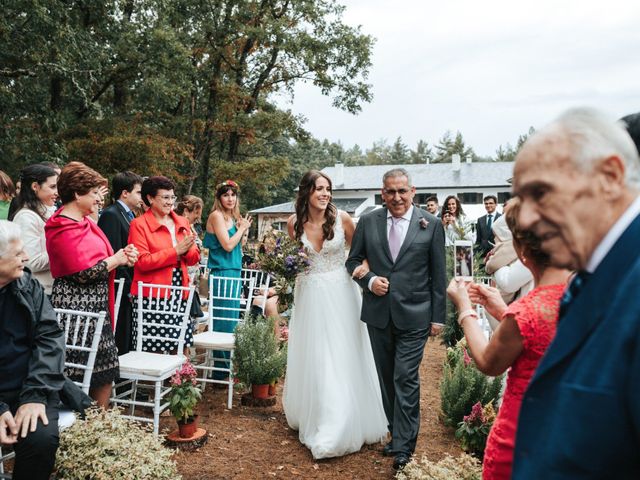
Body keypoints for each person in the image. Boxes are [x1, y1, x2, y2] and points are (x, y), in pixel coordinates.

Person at [511, 107, 640, 478]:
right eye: (522, 198)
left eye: (541, 192)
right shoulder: (593, 275)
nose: (526, 219)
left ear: (610, 176)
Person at [447, 197, 570, 479]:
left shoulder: (526, 312)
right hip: (567, 429)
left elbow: (489, 363)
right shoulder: (580, 296)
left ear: (522, 252)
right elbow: (541, 338)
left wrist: (465, 309)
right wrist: (503, 310)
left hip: (523, 434)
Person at [346, 168, 446, 470]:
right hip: (378, 313)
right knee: (386, 378)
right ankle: (395, 433)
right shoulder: (368, 221)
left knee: (405, 376)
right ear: (382, 192)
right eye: (390, 191)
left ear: (412, 192)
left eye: (402, 191)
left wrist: (438, 317)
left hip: (416, 314)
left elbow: (438, 275)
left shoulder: (431, 225)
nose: (397, 197)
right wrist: (370, 280)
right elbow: (352, 260)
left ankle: (405, 445)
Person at [283, 170, 387, 459]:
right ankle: (315, 414)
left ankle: (338, 424)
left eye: (328, 189)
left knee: (340, 354)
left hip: (341, 294)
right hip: (309, 296)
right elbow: (294, 260)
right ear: (306, 192)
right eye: (319, 189)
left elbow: (359, 253)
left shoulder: (342, 219)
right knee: (315, 355)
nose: (325, 194)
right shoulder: (294, 223)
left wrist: (365, 275)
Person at [45, 162, 137, 407]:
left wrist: (123, 256)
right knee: (76, 374)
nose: (99, 199)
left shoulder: (86, 223)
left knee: (105, 371)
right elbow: (81, 273)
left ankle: (100, 424)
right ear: (77, 194)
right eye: (95, 192)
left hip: (97, 310)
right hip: (76, 313)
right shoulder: (61, 227)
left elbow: (99, 258)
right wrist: (115, 259)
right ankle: (79, 428)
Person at [0, 221, 63, 480]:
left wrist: (34, 396)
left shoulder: (28, 285)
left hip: (30, 385)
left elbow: (49, 339)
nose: (25, 258)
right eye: (17, 253)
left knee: (41, 440)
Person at [128, 176, 200, 355]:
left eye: (172, 197)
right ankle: (157, 383)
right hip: (153, 291)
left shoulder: (182, 222)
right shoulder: (139, 225)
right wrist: (175, 252)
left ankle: (181, 382)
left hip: (179, 287)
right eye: (165, 197)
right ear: (150, 198)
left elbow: (193, 259)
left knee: (181, 340)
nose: (170, 202)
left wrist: (189, 249)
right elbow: (142, 262)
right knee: (156, 346)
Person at [203, 180, 252, 379]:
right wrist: (241, 229)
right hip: (222, 272)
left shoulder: (233, 217)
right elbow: (228, 246)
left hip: (234, 271)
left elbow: (239, 247)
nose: (230, 199)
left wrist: (243, 229)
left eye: (233, 195)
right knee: (222, 320)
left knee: (232, 320)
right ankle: (221, 372)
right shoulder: (216, 216)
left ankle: (227, 367)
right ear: (219, 198)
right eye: (226, 195)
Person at [97, 171, 143, 355]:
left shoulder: (130, 215)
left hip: (129, 284)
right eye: (139, 192)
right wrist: (128, 285)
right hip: (119, 285)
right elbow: (114, 251)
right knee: (120, 334)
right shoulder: (111, 215)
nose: (142, 197)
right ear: (125, 193)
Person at [11, 164, 58, 295]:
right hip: (37, 292)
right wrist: (62, 250)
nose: (57, 192)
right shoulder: (26, 217)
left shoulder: (48, 213)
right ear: (35, 187)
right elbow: (30, 263)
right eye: (52, 187)